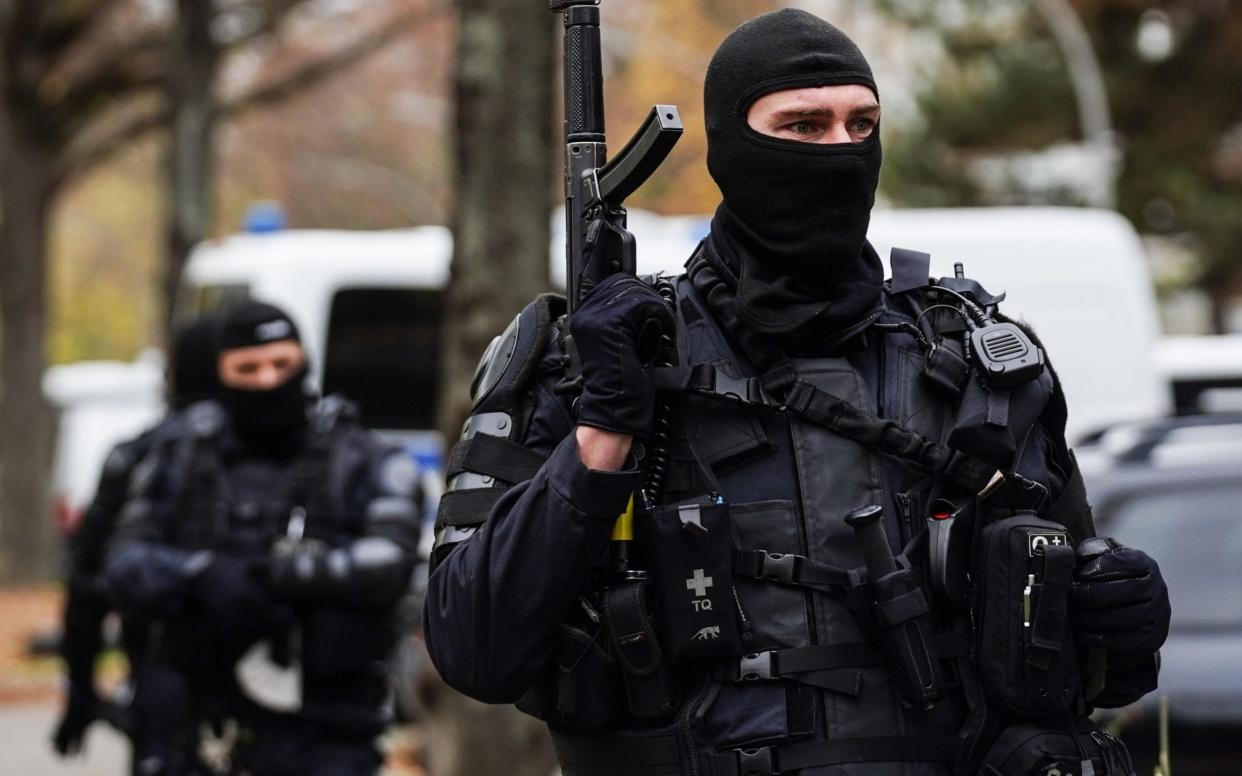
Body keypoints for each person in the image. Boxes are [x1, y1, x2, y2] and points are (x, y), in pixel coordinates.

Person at [424, 9, 1170, 776]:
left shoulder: (976, 356)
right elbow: (473, 647)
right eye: (804, 126)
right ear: (731, 145)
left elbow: (1073, 649)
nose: (841, 152)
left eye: (861, 124)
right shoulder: (597, 357)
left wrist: (1120, 614)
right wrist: (604, 432)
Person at [105, 301, 421, 776]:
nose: (268, 381)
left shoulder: (366, 459)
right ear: (220, 374)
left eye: (281, 364)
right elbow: (123, 561)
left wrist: (277, 578)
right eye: (248, 368)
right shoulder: (180, 458)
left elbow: (389, 561)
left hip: (327, 729)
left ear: (304, 362)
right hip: (200, 725)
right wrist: (201, 577)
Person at [53, 315, 222, 764]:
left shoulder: (136, 456)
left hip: (161, 688)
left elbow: (86, 587)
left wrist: (81, 690)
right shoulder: (290, 458)